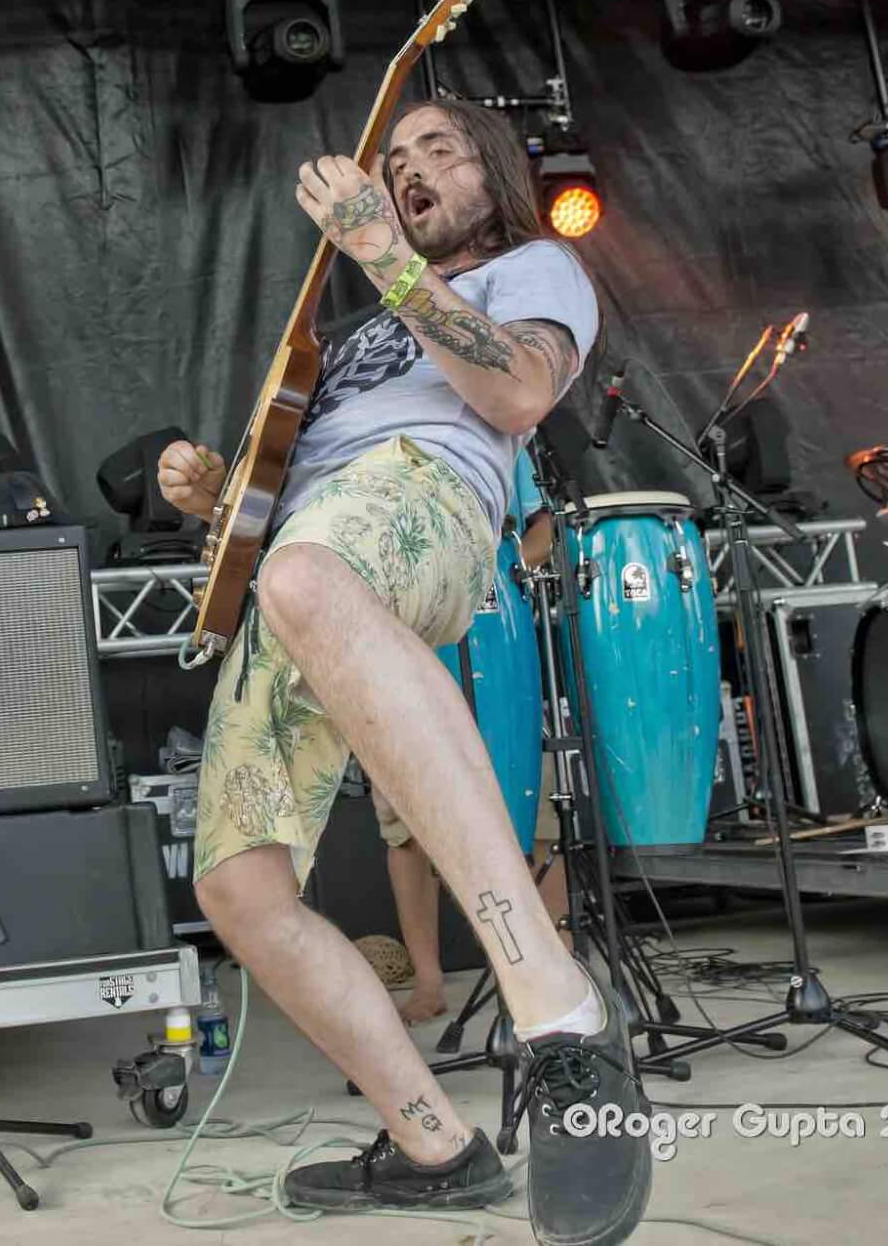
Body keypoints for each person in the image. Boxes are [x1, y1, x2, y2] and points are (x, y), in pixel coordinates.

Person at [158, 101, 650, 1246]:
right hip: (303, 548)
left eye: (440, 151)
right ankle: (434, 1145)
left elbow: (518, 392)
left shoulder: (535, 266)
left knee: (310, 579)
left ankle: (555, 1002)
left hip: (421, 494)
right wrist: (214, 496)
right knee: (239, 889)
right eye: (395, 160)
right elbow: (284, 489)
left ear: (495, 175)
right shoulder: (334, 339)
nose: (411, 170)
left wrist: (380, 250)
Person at [383, 447, 569, 1025]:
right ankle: (430, 978)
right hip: (403, 621)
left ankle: (557, 961)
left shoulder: (501, 429)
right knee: (404, 824)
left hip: (498, 623)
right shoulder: (370, 424)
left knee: (538, 811)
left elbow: (545, 531)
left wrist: (505, 567)